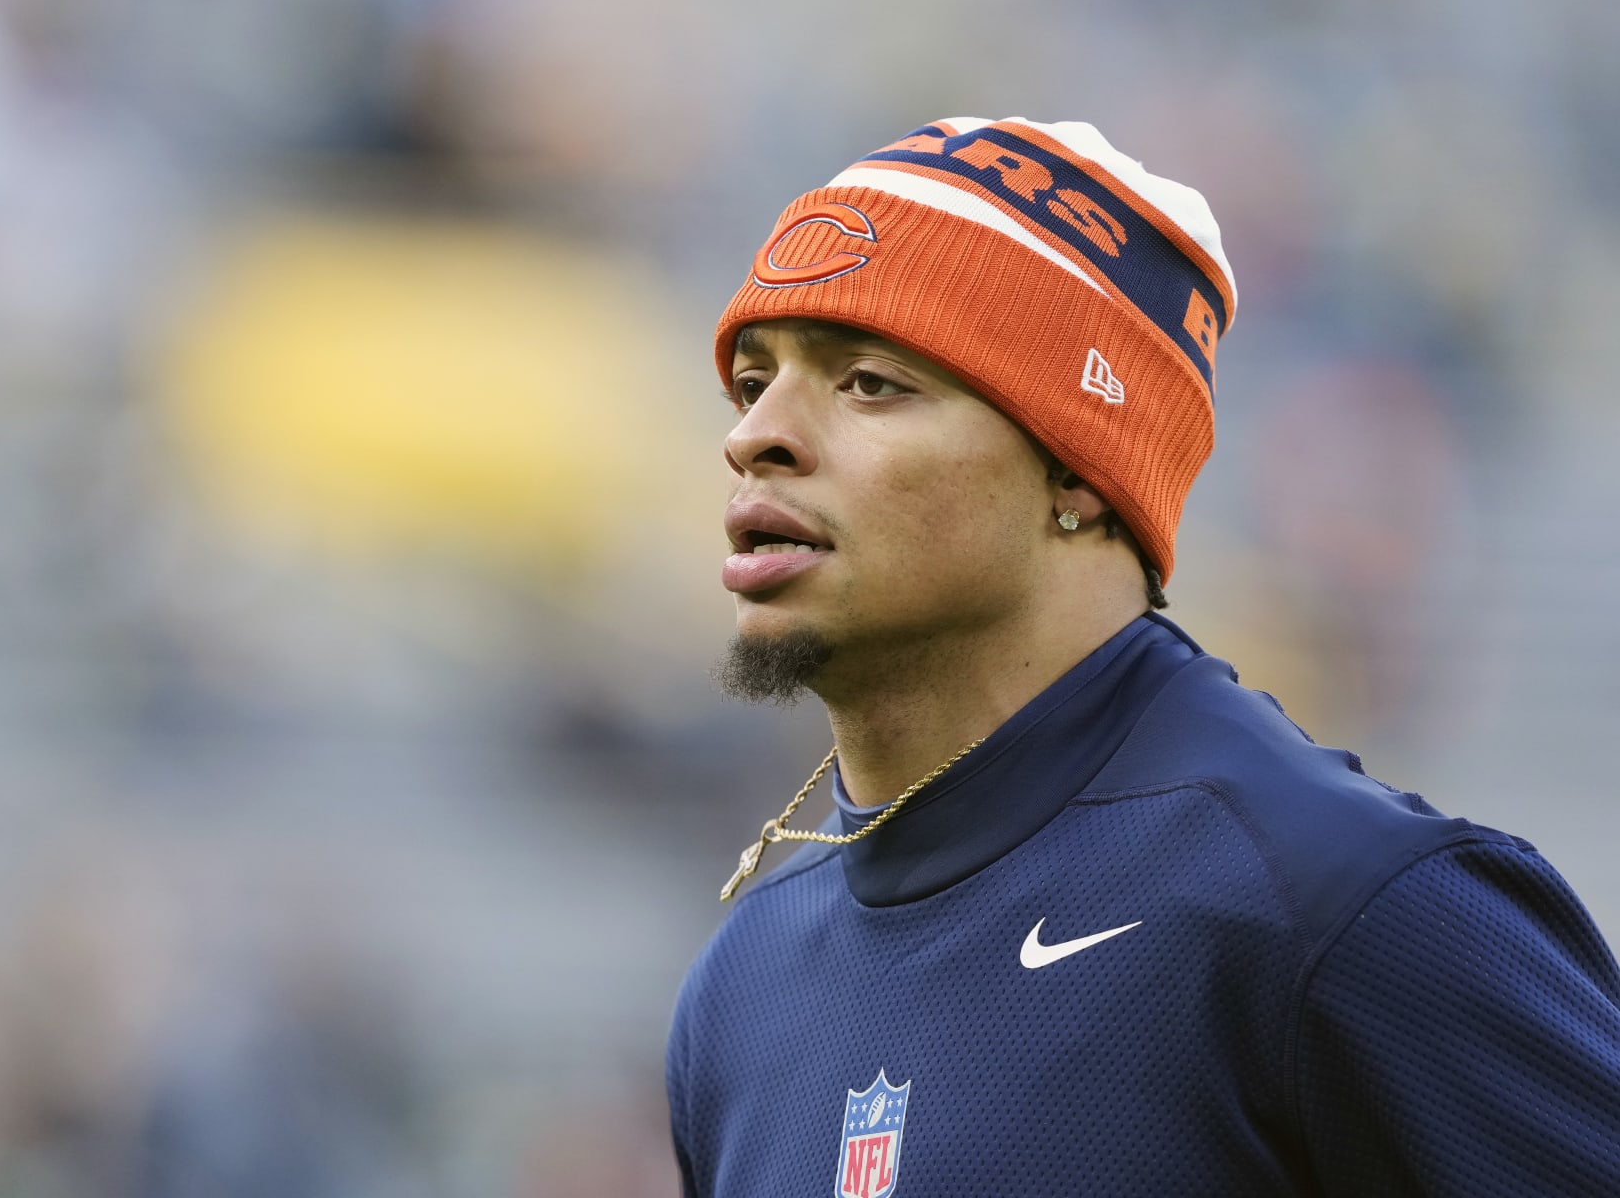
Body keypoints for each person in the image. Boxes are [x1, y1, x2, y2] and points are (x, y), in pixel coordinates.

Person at [665, 115, 1620, 1197]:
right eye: (754, 380)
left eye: (871, 381)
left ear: (1079, 471)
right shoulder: (742, 985)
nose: (755, 436)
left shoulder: (1340, 906)